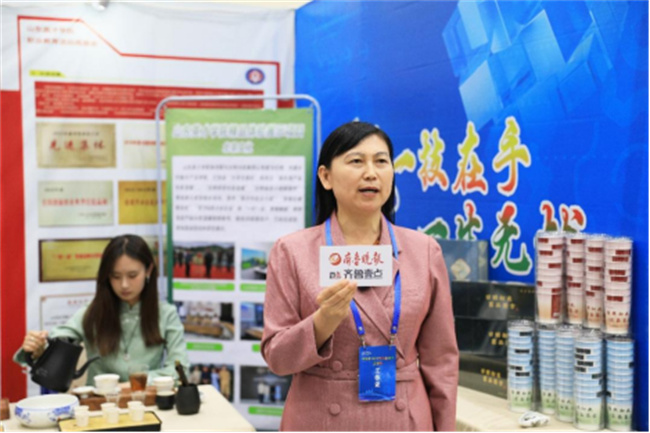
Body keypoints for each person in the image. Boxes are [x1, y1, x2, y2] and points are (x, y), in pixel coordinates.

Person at [261, 121, 459, 431]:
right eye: (356, 161)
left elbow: (441, 360)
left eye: (381, 161)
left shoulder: (424, 251)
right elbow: (278, 358)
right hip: (322, 418)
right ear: (326, 177)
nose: (371, 173)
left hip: (404, 418)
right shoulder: (292, 251)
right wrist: (323, 321)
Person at [15, 234, 190, 386]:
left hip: (146, 402)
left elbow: (180, 369)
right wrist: (39, 348)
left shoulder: (166, 314)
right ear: (106, 276)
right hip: (98, 405)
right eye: (115, 276)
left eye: (132, 275)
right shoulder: (92, 313)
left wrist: (136, 383)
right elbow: (60, 338)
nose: (124, 285)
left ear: (148, 270)